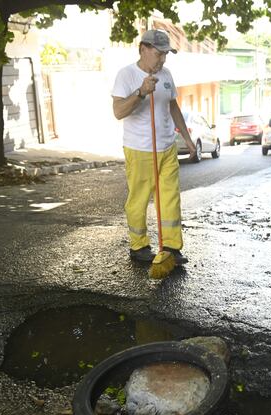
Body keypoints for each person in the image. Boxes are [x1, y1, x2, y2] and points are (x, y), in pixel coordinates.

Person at [112, 29, 195, 265]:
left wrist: (186, 138)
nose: (163, 59)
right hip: (140, 149)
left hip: (167, 147)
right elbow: (118, 112)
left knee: (170, 199)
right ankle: (139, 246)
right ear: (143, 49)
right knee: (139, 199)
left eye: (166, 55)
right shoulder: (126, 75)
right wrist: (141, 92)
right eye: (159, 54)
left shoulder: (166, 75)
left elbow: (173, 107)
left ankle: (171, 247)